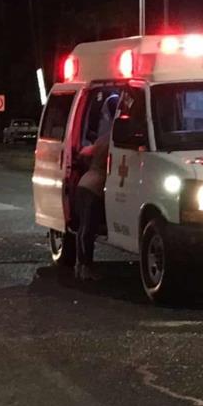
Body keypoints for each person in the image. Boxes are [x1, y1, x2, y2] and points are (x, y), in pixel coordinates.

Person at [74, 94, 118, 281]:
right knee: (88, 229)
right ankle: (86, 267)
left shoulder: (103, 139)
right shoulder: (114, 141)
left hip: (84, 184)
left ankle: (80, 265)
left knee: (84, 228)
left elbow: (84, 152)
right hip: (94, 189)